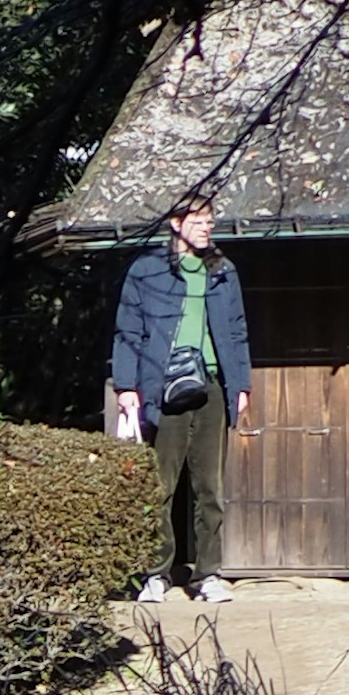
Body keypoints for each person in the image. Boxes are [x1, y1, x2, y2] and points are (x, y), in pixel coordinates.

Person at [108, 188, 252, 588]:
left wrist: (240, 384)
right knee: (161, 485)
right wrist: (126, 385)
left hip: (210, 385)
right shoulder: (146, 271)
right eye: (198, 221)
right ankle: (156, 572)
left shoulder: (223, 270)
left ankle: (209, 574)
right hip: (162, 386)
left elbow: (237, 331)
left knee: (210, 487)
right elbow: (128, 330)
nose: (206, 228)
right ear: (176, 224)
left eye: (210, 221)